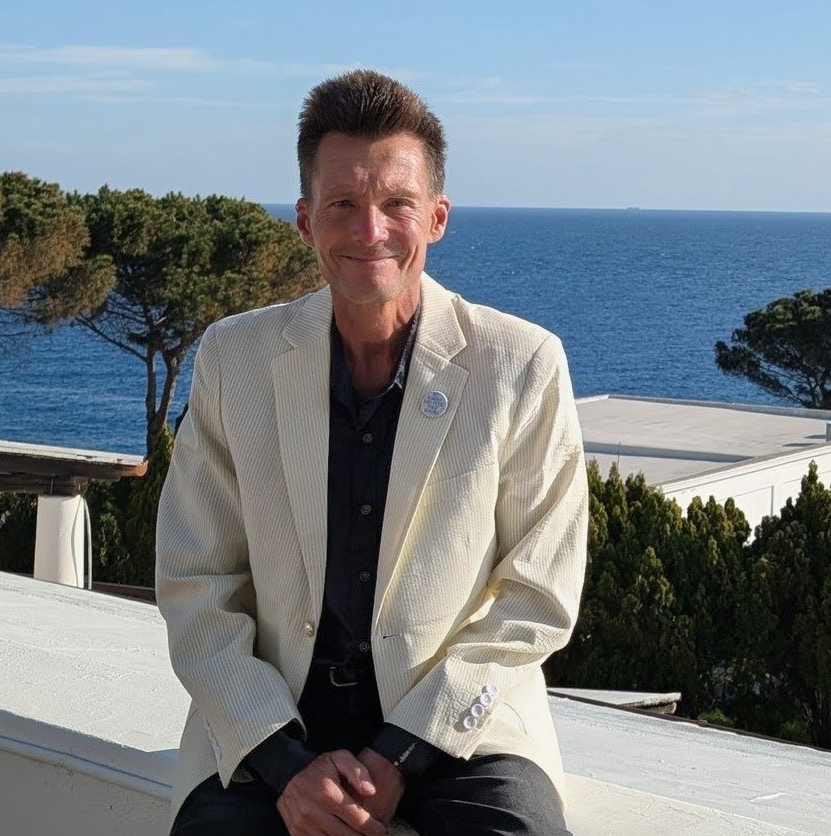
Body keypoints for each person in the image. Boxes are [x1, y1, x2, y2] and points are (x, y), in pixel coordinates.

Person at [156, 69, 588, 836]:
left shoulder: (522, 364)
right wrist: (286, 765)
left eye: (397, 203)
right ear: (304, 220)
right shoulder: (235, 359)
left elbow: (537, 598)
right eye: (343, 204)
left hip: (458, 728)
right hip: (273, 719)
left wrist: (399, 755)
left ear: (439, 216)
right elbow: (196, 582)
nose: (370, 230)